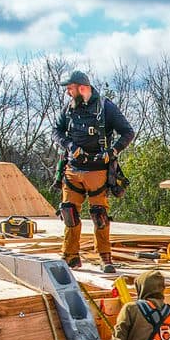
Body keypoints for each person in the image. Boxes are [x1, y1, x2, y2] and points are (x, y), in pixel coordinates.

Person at [53, 70, 135, 272]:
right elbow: (56, 131)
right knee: (69, 213)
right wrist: (70, 146)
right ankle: (70, 256)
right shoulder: (69, 109)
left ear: (82, 88)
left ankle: (105, 257)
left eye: (70, 88)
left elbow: (128, 132)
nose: (68, 93)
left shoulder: (105, 107)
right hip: (72, 169)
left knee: (100, 215)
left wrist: (113, 150)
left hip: (98, 170)